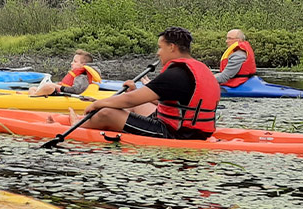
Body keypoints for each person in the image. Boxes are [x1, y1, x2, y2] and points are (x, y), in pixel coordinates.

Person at [79, 27, 220, 140]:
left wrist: (96, 104)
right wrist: (134, 90)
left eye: (160, 47)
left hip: (176, 134)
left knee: (106, 113)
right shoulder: (198, 69)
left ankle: (77, 125)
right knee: (139, 104)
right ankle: (88, 121)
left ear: (172, 47)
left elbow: (128, 101)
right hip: (194, 131)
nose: (158, 53)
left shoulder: (175, 74)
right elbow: (175, 105)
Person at [30, 49, 101, 96]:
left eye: (75, 61)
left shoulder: (82, 77)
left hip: (67, 95)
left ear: (83, 65)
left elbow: (76, 90)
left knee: (49, 87)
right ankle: (34, 95)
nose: (71, 63)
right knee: (32, 88)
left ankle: (33, 98)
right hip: (62, 93)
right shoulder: (77, 74)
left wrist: (59, 87)